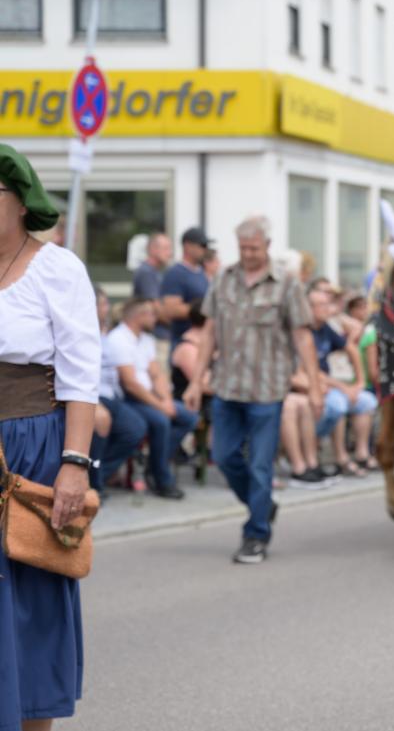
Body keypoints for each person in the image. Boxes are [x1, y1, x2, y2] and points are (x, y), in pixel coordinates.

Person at [0, 143, 100, 731]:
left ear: (18, 202)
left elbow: (81, 374)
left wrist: (74, 462)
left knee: (31, 599)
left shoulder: (57, 268)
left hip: (33, 447)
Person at [183, 216, 323, 564]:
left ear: (267, 247)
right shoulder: (224, 280)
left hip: (267, 390)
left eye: (254, 248)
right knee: (226, 455)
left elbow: (303, 337)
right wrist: (196, 380)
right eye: (243, 248)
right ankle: (263, 505)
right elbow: (209, 332)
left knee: (261, 466)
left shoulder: (287, 285)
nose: (248, 254)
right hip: (227, 386)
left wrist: (315, 386)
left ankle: (255, 534)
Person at [105, 297, 194, 500]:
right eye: (152, 313)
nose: (157, 318)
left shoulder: (146, 339)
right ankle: (161, 478)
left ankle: (155, 462)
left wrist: (167, 401)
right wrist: (161, 406)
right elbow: (130, 384)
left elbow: (157, 374)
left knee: (188, 416)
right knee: (161, 421)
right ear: (139, 316)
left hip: (151, 398)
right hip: (129, 399)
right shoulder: (118, 339)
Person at [307, 288, 377, 475]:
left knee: (366, 401)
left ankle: (362, 453)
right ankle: (333, 454)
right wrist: (345, 388)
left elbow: (351, 349)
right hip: (312, 385)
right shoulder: (305, 332)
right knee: (338, 404)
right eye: (323, 305)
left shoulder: (326, 328)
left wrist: (360, 382)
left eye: (329, 304)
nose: (328, 309)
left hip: (329, 385)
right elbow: (310, 370)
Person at [89, 286, 146, 493]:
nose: (108, 308)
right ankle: (93, 483)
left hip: (112, 395)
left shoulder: (105, 333)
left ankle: (99, 475)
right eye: (103, 304)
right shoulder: (82, 330)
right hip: (93, 395)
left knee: (135, 428)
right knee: (101, 423)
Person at [160, 227, 212, 351]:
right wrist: (203, 308)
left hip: (201, 342)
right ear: (187, 246)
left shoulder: (201, 273)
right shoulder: (176, 273)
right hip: (183, 345)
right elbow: (170, 310)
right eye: (202, 245)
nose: (205, 249)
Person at [131, 232, 173, 349]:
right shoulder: (147, 272)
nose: (170, 253)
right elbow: (155, 307)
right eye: (166, 248)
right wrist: (177, 324)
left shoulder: (156, 272)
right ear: (153, 249)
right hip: (156, 338)